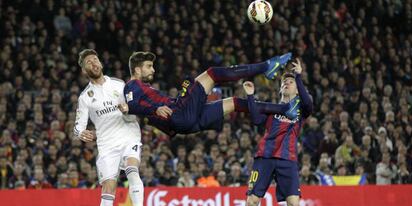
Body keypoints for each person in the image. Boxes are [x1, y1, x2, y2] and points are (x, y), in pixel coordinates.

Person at [236, 58, 313, 206]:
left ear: (297, 89)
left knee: (294, 205)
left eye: (290, 82)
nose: (286, 83)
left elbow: (309, 103)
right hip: (265, 158)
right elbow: (255, 119)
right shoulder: (272, 109)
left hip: (287, 160)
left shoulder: (301, 109)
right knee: (251, 201)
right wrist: (251, 96)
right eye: (283, 82)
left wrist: (298, 76)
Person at [74, 49, 145, 206]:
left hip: (129, 134)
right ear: (84, 69)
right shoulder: (85, 97)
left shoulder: (119, 84)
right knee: (108, 189)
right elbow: (77, 127)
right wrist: (82, 133)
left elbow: (135, 107)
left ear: (100, 63)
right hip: (106, 145)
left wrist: (128, 109)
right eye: (88, 62)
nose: (93, 63)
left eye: (95, 59)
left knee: (132, 168)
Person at [119, 51, 293, 136]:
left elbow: (146, 114)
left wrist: (169, 128)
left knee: (233, 102)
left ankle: (284, 109)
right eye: (149, 66)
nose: (153, 69)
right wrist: (155, 111)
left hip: (183, 122)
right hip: (180, 113)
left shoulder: (146, 90)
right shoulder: (132, 85)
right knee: (212, 73)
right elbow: (130, 106)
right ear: (137, 69)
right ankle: (267, 66)